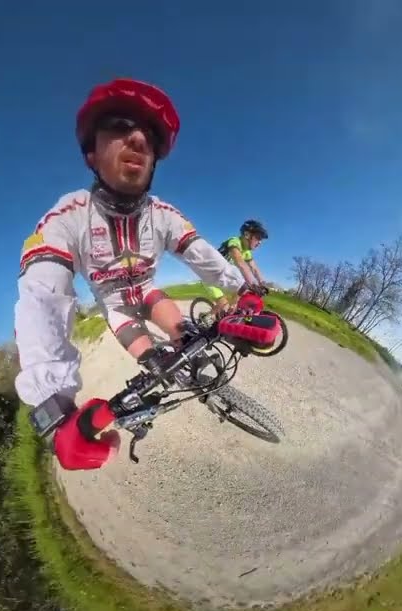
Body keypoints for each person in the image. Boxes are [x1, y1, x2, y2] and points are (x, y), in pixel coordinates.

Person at [14, 78, 269, 471]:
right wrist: (55, 407)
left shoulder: (164, 215)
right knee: (154, 364)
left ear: (154, 158)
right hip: (116, 308)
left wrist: (245, 291)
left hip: (149, 293)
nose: (137, 138)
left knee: (187, 337)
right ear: (91, 156)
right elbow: (42, 299)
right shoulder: (65, 217)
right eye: (118, 125)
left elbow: (203, 257)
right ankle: (160, 367)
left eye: (148, 134)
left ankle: (196, 371)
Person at [207, 220, 270, 315]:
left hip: (224, 277)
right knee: (223, 303)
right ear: (247, 235)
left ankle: (228, 315)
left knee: (242, 290)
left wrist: (262, 283)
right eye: (258, 238)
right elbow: (240, 262)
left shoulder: (247, 252)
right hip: (211, 276)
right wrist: (253, 284)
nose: (260, 242)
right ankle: (206, 318)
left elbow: (254, 268)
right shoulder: (234, 242)